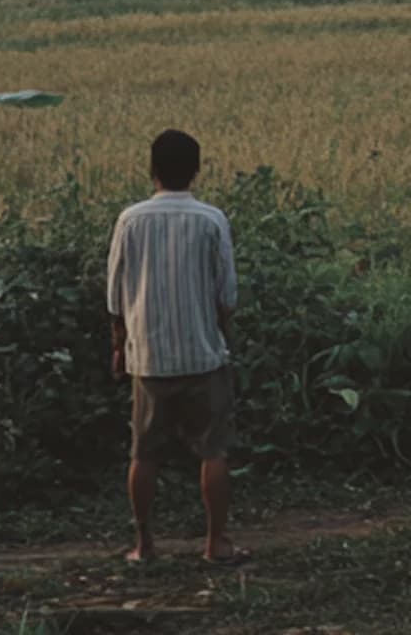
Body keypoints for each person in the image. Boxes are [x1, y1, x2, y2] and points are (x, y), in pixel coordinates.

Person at [105, 129, 248, 565]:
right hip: (203, 355)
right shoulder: (210, 219)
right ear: (197, 170)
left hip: (148, 359)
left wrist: (119, 348)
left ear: (151, 170)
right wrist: (222, 334)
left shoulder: (130, 220)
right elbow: (227, 295)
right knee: (214, 450)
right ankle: (216, 542)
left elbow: (114, 295)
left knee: (144, 453)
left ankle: (145, 544)